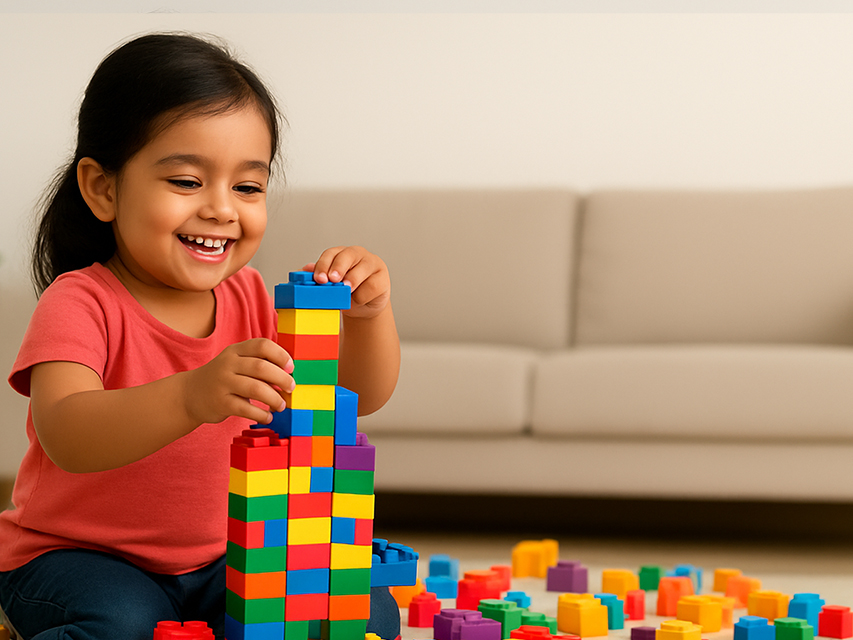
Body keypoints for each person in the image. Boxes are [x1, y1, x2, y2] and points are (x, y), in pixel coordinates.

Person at [0, 33, 401, 639]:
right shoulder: (81, 301)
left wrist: (369, 318)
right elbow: (68, 435)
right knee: (125, 622)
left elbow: (353, 396)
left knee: (357, 608)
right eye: (186, 182)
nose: (222, 209)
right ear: (103, 189)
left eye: (248, 186)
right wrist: (190, 396)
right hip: (77, 557)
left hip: (223, 557)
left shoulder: (253, 298)